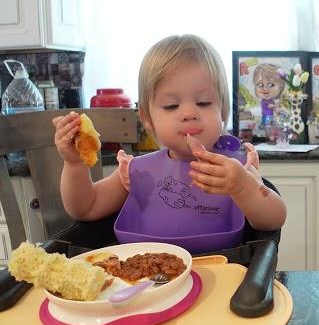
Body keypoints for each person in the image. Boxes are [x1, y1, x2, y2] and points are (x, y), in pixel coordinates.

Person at [53, 34, 286, 247]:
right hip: (146, 286)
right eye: (171, 106)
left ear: (223, 111)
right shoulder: (136, 172)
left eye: (203, 102)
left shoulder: (237, 169)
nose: (188, 113)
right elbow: (86, 207)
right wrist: (74, 165)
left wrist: (244, 187)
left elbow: (274, 219)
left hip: (221, 284)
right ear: (147, 118)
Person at [253, 63, 284, 127]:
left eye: (270, 85)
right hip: (266, 116)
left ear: (281, 86)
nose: (265, 89)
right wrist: (276, 105)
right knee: (267, 125)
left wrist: (277, 108)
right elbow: (270, 106)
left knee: (269, 124)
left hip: (270, 115)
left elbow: (274, 108)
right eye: (260, 85)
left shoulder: (271, 100)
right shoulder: (264, 101)